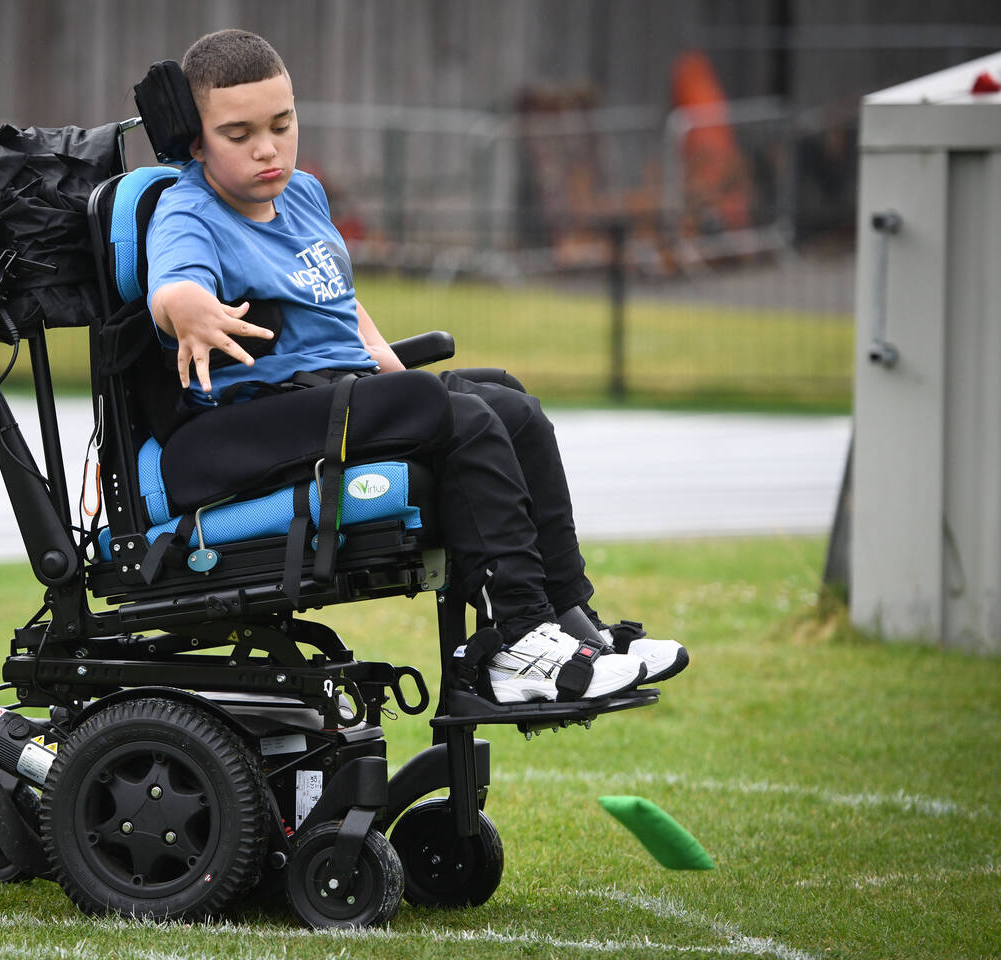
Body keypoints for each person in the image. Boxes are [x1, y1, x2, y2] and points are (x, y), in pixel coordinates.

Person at [146, 29, 687, 704]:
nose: (267, 148)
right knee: (446, 411)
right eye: (239, 133)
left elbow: (343, 306)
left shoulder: (304, 194)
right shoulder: (188, 211)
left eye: (282, 125)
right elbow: (172, 287)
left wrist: (392, 373)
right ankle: (515, 643)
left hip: (333, 399)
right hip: (246, 427)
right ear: (195, 140)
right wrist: (188, 308)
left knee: (509, 402)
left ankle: (570, 619)